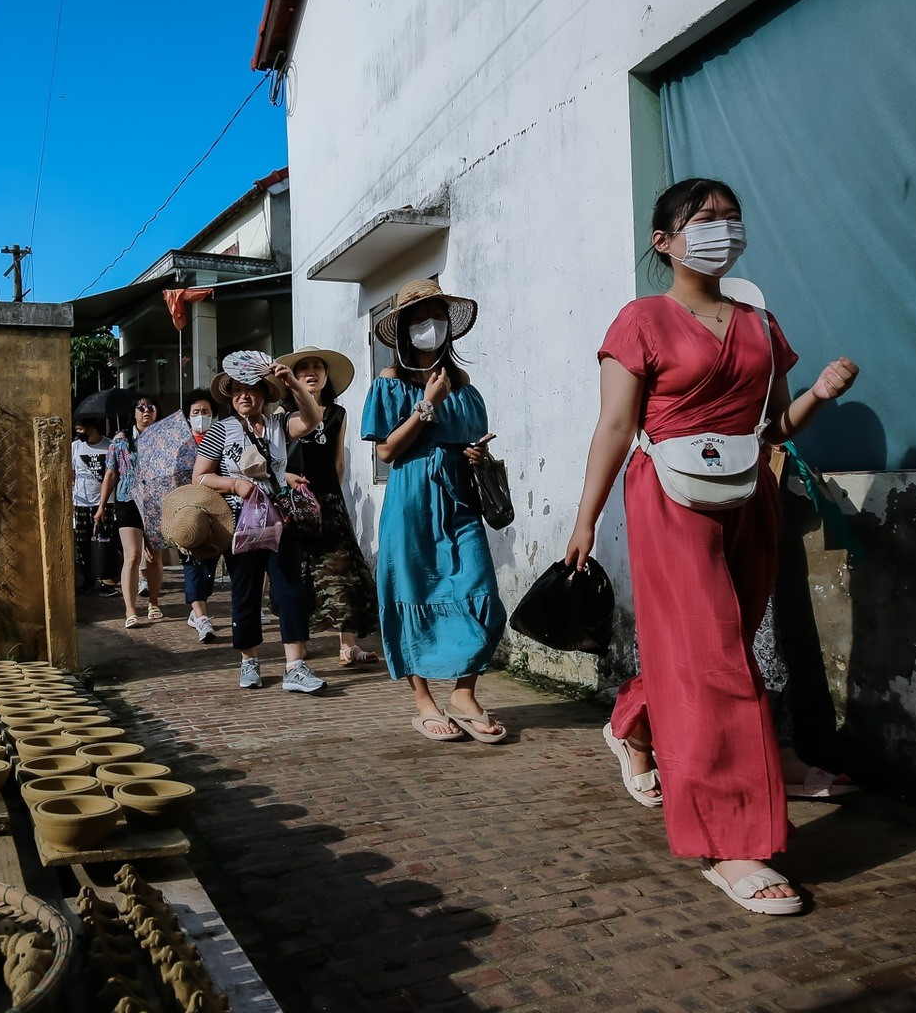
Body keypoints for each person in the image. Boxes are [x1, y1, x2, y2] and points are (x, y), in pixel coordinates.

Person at [563, 177, 859, 917]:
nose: (721, 229)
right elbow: (613, 427)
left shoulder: (761, 324)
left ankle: (631, 723)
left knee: (713, 647)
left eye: (730, 218)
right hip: (667, 497)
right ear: (664, 241)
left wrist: (818, 394)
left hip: (748, 494)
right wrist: (586, 519)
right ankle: (732, 841)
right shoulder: (641, 319)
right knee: (716, 659)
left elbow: (774, 428)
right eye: (703, 219)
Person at [361, 279, 508, 743]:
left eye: (438, 316)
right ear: (404, 329)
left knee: (480, 588)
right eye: (420, 318)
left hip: (459, 500)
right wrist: (427, 404)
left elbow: (471, 442)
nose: (430, 326)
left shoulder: (465, 387)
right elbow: (386, 452)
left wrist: (478, 457)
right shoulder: (389, 384)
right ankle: (422, 700)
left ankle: (464, 693)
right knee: (411, 593)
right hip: (410, 502)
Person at [192, 362, 328, 693]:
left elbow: (313, 419)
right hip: (239, 521)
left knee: (288, 589)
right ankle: (248, 660)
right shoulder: (220, 430)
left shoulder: (279, 423)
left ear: (263, 394)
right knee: (245, 590)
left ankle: (295, 666)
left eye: (250, 389)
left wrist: (294, 383)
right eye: (237, 390)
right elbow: (199, 476)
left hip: (281, 518)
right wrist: (235, 485)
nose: (243, 396)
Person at [280, 347, 381, 667]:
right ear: (293, 378)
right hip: (293, 504)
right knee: (301, 572)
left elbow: (338, 462)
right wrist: (285, 480)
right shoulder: (283, 415)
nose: (311, 372)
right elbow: (273, 460)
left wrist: (333, 499)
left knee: (344, 571)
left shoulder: (338, 413)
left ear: (326, 375)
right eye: (304, 368)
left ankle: (347, 646)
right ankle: (299, 641)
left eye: (317, 367)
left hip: (329, 502)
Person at [99, 395, 165, 627]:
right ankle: (130, 610)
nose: (146, 411)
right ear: (134, 413)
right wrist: (101, 506)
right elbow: (111, 473)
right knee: (133, 555)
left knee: (155, 555)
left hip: (156, 501)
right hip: (127, 499)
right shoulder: (121, 440)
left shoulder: (165, 439)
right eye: (141, 408)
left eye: (151, 407)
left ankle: (153, 602)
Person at [180, 390, 223, 644]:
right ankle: (202, 616)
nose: (200, 416)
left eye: (205, 412)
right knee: (191, 560)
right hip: (187, 513)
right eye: (195, 412)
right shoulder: (181, 444)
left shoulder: (222, 439)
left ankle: (197, 608)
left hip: (217, 511)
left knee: (209, 562)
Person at [70, 417, 115, 595]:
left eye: (81, 429)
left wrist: (102, 505)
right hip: (81, 502)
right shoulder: (75, 447)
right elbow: (71, 472)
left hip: (105, 502)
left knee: (105, 543)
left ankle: (107, 582)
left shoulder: (110, 445)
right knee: (83, 543)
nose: (78, 433)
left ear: (91, 427)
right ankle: (88, 580)